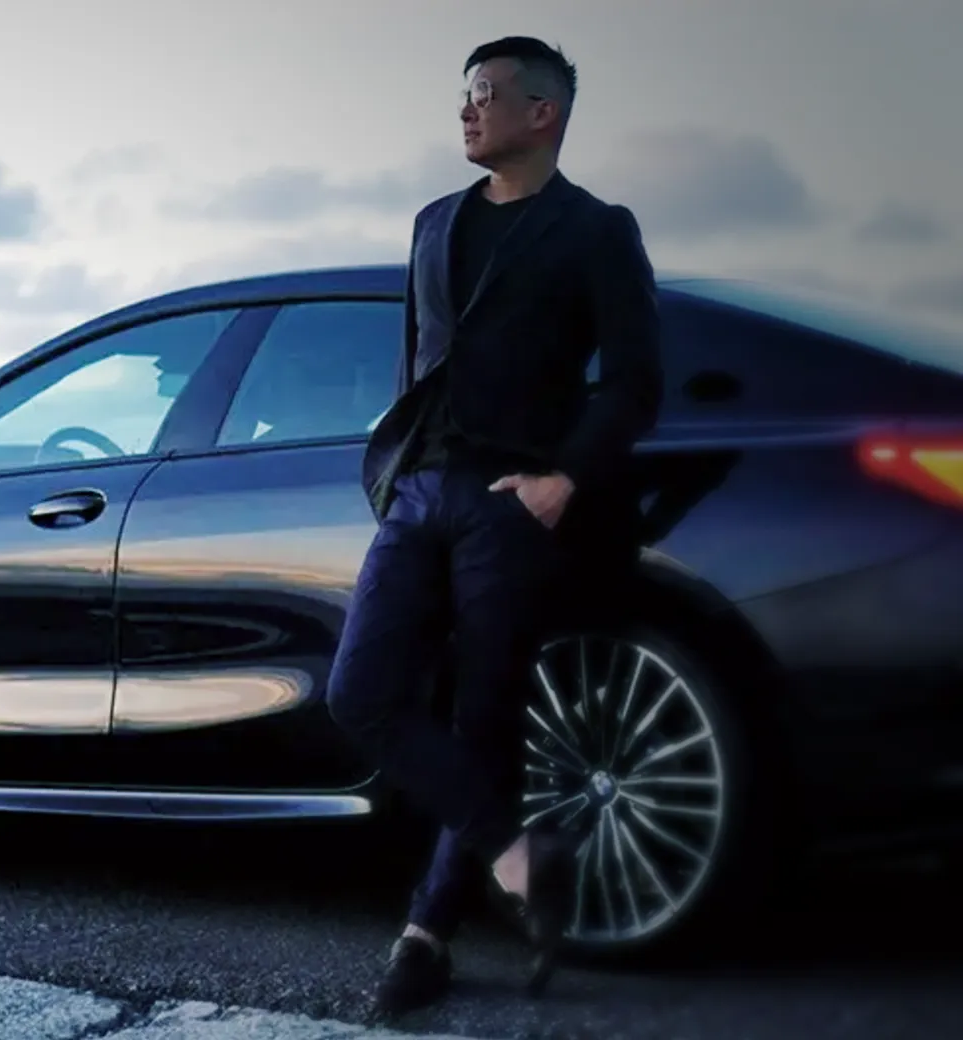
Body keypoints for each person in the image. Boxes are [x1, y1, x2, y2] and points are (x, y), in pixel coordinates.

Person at [324, 35, 664, 1019]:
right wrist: (395, 474)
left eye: (484, 94)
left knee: (484, 717)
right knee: (359, 693)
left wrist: (563, 479)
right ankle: (519, 855)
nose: (466, 111)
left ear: (541, 113)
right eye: (464, 95)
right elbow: (418, 360)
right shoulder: (433, 222)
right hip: (420, 490)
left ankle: (426, 937)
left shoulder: (596, 230)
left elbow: (636, 379)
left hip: (512, 501)